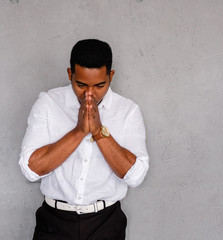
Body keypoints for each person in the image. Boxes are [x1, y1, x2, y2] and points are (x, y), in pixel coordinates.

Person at [19, 39, 149, 240]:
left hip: (106, 223)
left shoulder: (128, 111)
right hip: (54, 222)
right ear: (70, 74)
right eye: (80, 85)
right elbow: (30, 170)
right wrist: (79, 131)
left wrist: (98, 131)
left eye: (99, 85)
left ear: (111, 76)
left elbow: (135, 176)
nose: (89, 94)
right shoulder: (48, 103)